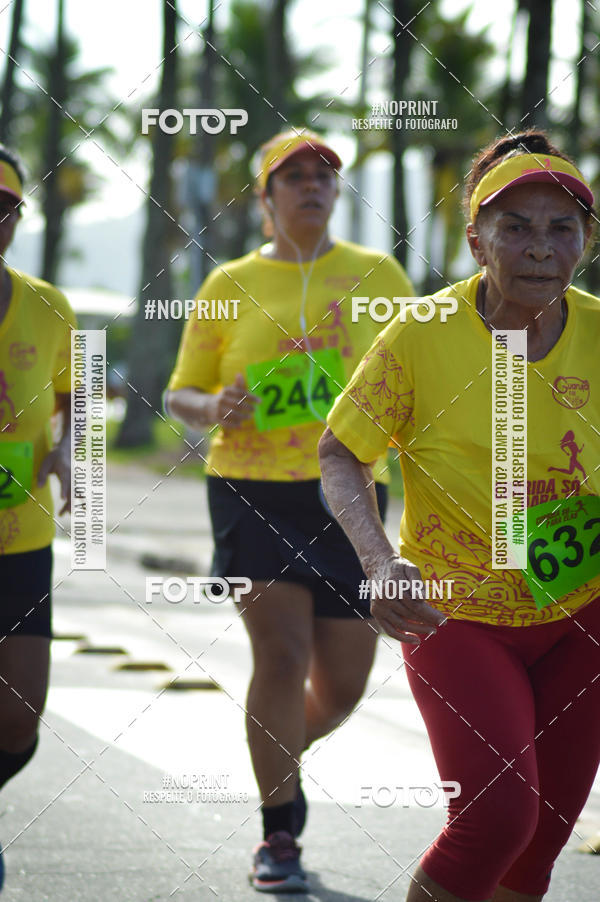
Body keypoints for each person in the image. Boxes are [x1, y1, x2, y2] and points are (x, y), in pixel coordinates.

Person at [319, 129, 600, 901]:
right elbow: (341, 453)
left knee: (540, 843)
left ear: (586, 240)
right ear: (476, 242)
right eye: (515, 227)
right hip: (454, 613)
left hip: (584, 618)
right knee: (497, 818)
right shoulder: (421, 335)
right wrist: (380, 563)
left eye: (562, 227)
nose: (540, 248)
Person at [165, 128, 423, 892]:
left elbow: (416, 381)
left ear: (337, 192)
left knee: (342, 686)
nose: (312, 184)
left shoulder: (379, 274)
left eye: (324, 174)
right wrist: (214, 404)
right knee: (281, 656)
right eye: (294, 175)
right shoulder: (227, 282)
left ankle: (271, 758)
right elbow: (181, 390)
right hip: (250, 485)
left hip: (346, 491)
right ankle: (280, 834)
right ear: (265, 197)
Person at [0, 146, 75, 889]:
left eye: (2, 205)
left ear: (17, 218)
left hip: (22, 538)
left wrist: (65, 453)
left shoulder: (50, 305)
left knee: (20, 718)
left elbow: (76, 391)